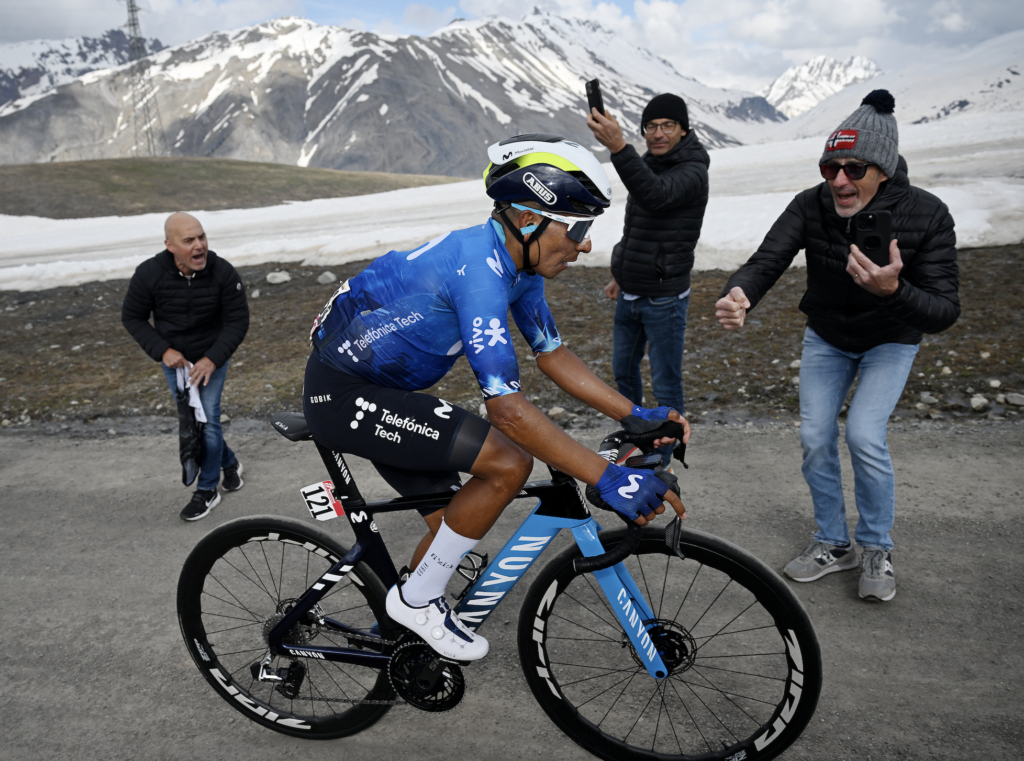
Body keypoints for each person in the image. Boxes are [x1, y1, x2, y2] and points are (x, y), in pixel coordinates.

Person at [303, 134, 690, 661]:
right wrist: (605, 476)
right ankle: (415, 605)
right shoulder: (478, 274)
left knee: (452, 531)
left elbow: (552, 354)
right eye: (577, 228)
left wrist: (636, 414)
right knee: (508, 464)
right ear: (530, 221)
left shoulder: (516, 267)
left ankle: (401, 648)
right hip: (344, 395)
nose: (587, 245)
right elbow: (506, 409)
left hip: (382, 391)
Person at [715, 90, 959, 602]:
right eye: (831, 168)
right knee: (815, 437)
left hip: (891, 339)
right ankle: (833, 542)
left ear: (884, 170)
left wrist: (893, 290)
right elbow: (767, 259)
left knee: (865, 436)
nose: (840, 181)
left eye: (854, 168)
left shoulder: (928, 214)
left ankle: (875, 547)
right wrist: (739, 294)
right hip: (827, 336)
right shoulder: (811, 204)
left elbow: (943, 311)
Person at [586, 93, 709, 467]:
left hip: (664, 297)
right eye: (651, 127)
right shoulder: (646, 162)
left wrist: (619, 147)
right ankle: (638, 432)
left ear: (683, 129)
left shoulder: (692, 171)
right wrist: (621, 274)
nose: (658, 133)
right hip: (632, 291)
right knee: (623, 369)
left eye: (667, 126)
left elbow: (657, 197)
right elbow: (637, 226)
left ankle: (665, 455)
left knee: (666, 381)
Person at [122, 212, 250, 521]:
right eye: (189, 240)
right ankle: (229, 463)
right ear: (170, 245)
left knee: (208, 421)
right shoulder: (149, 273)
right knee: (199, 421)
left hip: (211, 359)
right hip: (175, 362)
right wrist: (163, 350)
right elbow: (132, 317)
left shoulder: (222, 271)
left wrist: (212, 358)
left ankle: (207, 490)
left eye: (202, 237)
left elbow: (238, 321)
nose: (200, 245)